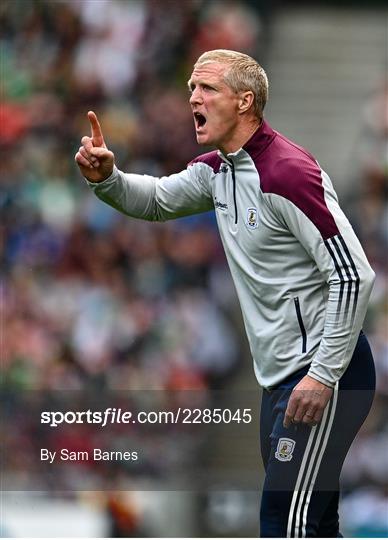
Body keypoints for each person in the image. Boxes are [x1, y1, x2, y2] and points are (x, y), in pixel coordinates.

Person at [75, 49, 376, 537]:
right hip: (282, 378)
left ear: (245, 101)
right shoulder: (218, 170)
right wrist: (106, 179)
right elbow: (155, 200)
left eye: (207, 88)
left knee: (286, 525)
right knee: (316, 525)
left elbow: (354, 274)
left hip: (325, 374)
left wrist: (322, 375)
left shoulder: (287, 172)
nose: (192, 96)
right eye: (191, 86)